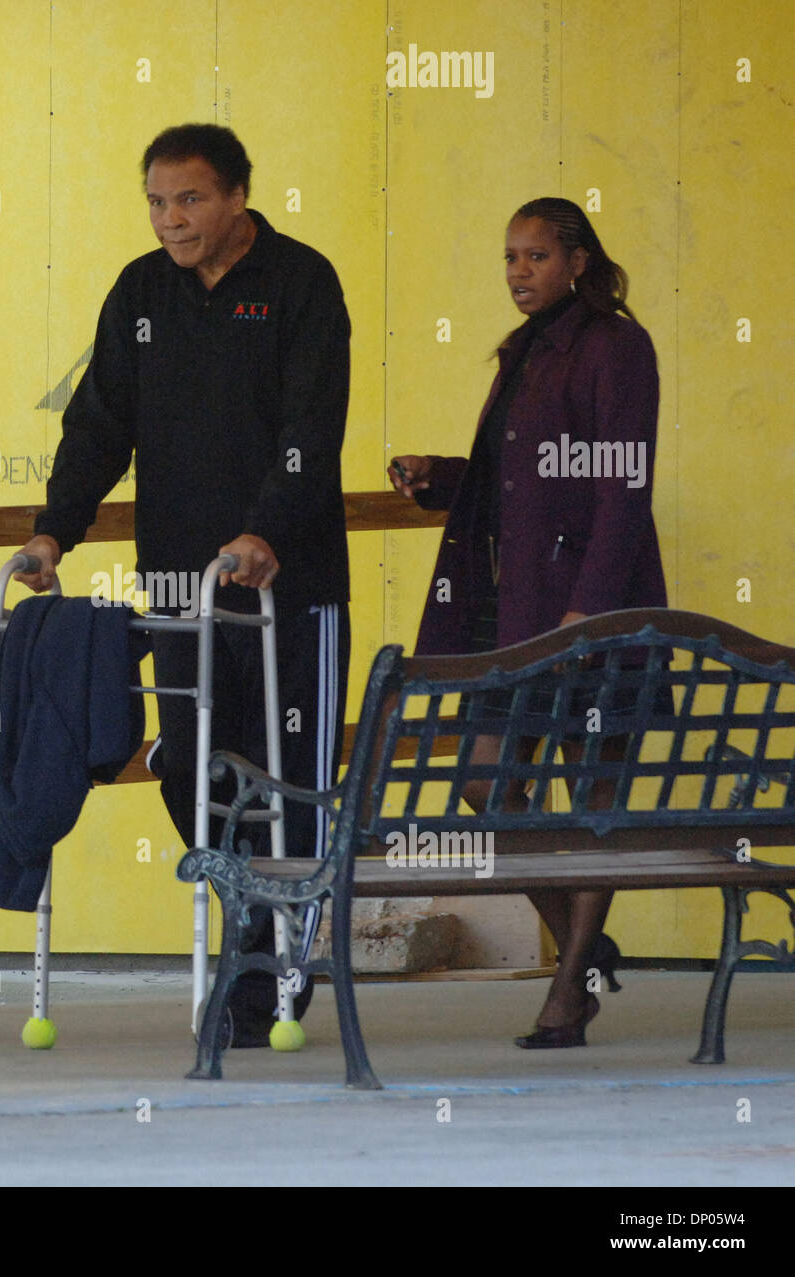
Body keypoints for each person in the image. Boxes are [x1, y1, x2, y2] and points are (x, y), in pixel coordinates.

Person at [16, 124, 352, 1046]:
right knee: (187, 766)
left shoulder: (303, 283)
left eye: (191, 200)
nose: (173, 220)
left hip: (293, 587)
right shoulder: (139, 291)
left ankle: (274, 973)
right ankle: (252, 925)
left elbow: (312, 428)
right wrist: (56, 530)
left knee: (290, 782)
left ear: (238, 196)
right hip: (180, 587)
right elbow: (97, 425)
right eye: (158, 203)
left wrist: (265, 528)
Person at [390, 196, 666, 1048]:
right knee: (483, 779)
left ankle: (566, 991)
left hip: (597, 611)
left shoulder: (618, 347)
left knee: (592, 803)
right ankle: (584, 948)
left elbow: (625, 488)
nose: (518, 273)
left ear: (577, 259)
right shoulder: (525, 351)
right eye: (509, 258)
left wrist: (588, 610)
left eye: (536, 257)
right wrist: (442, 477)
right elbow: (522, 475)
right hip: (520, 614)